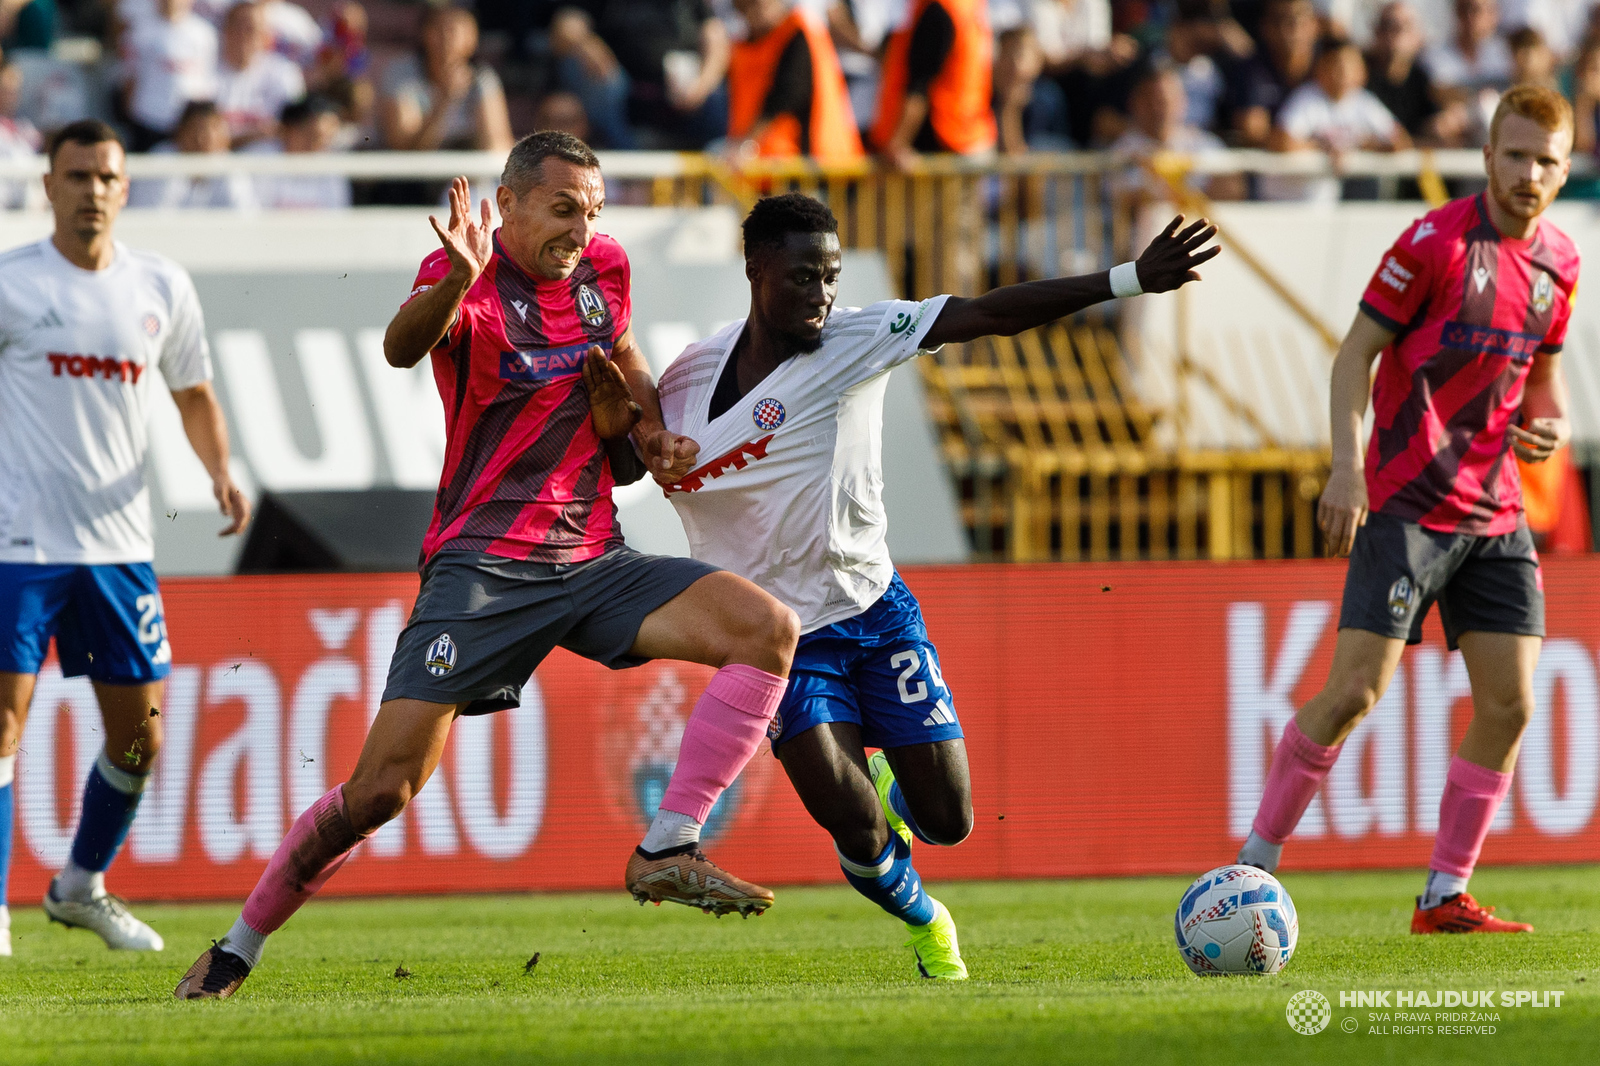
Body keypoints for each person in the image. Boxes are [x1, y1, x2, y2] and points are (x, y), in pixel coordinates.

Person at [174, 131, 804, 1000]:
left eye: (591, 212)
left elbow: (623, 354)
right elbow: (401, 348)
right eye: (562, 209)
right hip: (482, 569)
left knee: (767, 629)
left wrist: (648, 426)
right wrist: (458, 280)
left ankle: (667, 843)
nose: (580, 230)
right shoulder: (460, 278)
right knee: (379, 794)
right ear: (507, 205)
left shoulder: (605, 270)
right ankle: (238, 947)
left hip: (593, 557)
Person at [655, 193, 1219, 978]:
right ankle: (928, 923)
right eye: (804, 277)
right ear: (756, 272)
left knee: (948, 822)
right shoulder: (686, 378)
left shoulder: (856, 338)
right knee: (853, 823)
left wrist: (1126, 279)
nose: (822, 294)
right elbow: (627, 451)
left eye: (832, 275)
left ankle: (891, 773)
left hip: (876, 616)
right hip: (777, 641)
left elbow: (987, 313)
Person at [1235, 85, 1577, 935]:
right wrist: (1345, 469)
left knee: (1512, 704)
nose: (1529, 173)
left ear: (1565, 171)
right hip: (1405, 500)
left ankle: (1442, 896)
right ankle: (1252, 867)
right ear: (1488, 154)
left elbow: (1543, 377)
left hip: (1495, 511)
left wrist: (1552, 423)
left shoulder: (1560, 265)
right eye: (1516, 154)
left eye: (1547, 161)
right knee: (1354, 692)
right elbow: (1355, 356)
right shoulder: (1433, 243)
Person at [0, 119, 250, 958]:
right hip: (20, 546)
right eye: (76, 177)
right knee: (4, 726)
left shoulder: (161, 287)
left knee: (140, 737)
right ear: (49, 187)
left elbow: (194, 394)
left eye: (106, 177)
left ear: (126, 188)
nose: (92, 192)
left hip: (118, 548)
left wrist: (218, 469)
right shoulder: (12, 284)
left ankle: (81, 886)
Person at [1268, 36, 1409, 201]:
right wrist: (1323, 147)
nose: (1342, 73)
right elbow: (1281, 141)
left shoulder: (1364, 102)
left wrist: (1361, 145)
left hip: (1328, 204)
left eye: (1349, 66)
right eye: (1336, 66)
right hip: (1288, 203)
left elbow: (1400, 142)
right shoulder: (1307, 97)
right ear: (1320, 68)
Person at [725, 0, 863, 165]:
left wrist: (745, 144)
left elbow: (789, 93)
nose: (750, 13)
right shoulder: (745, 41)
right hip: (761, 166)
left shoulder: (797, 32)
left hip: (807, 161)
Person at [870, 0, 998, 167]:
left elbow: (920, 85)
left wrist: (897, 143)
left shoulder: (940, 10)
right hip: (972, 135)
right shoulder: (969, 7)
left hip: (944, 144)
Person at [379, 4, 513, 152]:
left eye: (453, 30)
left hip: (470, 172)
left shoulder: (483, 78)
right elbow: (404, 148)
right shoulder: (401, 75)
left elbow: (497, 146)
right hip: (417, 174)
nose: (445, 39)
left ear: (472, 38)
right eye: (438, 29)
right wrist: (444, 101)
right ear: (424, 33)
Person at [119, 0, 219, 151]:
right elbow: (130, 79)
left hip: (191, 127)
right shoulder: (138, 32)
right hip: (149, 121)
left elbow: (207, 79)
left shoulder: (205, 33)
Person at [127, 101, 258, 209]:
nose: (203, 139)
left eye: (212, 129)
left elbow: (244, 217)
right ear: (180, 132)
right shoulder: (160, 162)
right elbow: (151, 222)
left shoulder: (231, 169)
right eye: (196, 129)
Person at [1224, 0, 1317, 148]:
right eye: (1281, 20)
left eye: (1299, 20)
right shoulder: (1251, 70)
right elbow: (1252, 130)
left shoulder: (1329, 63)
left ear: (1314, 25)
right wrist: (1312, 146)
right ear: (1265, 27)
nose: (1293, 29)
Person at [215, 0, 306, 147]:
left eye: (251, 29)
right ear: (225, 32)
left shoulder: (284, 72)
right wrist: (255, 134)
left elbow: (291, 129)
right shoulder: (205, 70)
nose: (243, 35)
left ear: (265, 37)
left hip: (269, 161)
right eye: (237, 27)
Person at [249, 96, 350, 209]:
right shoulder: (261, 160)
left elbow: (336, 215)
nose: (321, 144)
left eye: (328, 138)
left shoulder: (332, 168)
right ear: (288, 130)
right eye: (313, 136)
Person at [1364, 1, 1444, 143]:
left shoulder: (1423, 81)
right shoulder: (1360, 77)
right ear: (1376, 31)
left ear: (1418, 36)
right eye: (1389, 25)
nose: (1397, 32)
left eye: (1405, 26)